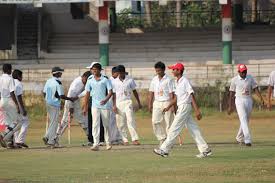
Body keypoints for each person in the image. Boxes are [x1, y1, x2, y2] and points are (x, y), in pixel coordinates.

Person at [153, 63, 212, 158]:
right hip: (182, 106)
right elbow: (176, 98)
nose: (172, 71)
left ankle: (164, 150)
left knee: (174, 128)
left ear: (179, 71)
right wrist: (169, 106)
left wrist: (197, 110)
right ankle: (205, 150)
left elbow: (191, 95)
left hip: (185, 106)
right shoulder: (177, 82)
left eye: (174, 69)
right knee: (193, 129)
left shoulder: (185, 81)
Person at [228, 64, 264, 146]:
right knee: (243, 118)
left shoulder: (250, 78)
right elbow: (231, 93)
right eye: (242, 72)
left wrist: (261, 98)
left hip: (248, 100)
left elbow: (255, 88)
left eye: (245, 71)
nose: (244, 73)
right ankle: (247, 139)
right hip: (239, 100)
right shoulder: (234, 80)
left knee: (245, 120)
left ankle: (239, 138)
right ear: (238, 72)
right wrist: (230, 106)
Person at [83, 63, 114, 151]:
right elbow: (87, 94)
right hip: (94, 105)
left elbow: (110, 92)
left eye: (95, 69)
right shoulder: (90, 79)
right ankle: (95, 143)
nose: (94, 71)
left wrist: (105, 100)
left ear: (100, 70)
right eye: (93, 69)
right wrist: (85, 107)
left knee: (106, 124)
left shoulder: (105, 79)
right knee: (95, 124)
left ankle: (108, 143)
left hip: (105, 105)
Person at [55, 71, 91, 145]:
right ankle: (55, 138)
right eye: (86, 80)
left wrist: (78, 97)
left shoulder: (84, 81)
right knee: (65, 121)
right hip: (70, 102)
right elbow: (70, 95)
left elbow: (87, 91)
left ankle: (90, 138)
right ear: (84, 77)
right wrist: (71, 107)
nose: (87, 82)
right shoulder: (77, 83)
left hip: (75, 101)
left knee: (83, 120)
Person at [42, 67, 76, 148]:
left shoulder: (48, 81)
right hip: (54, 104)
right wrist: (70, 98)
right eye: (60, 72)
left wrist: (48, 100)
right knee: (54, 123)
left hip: (48, 103)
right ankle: (51, 141)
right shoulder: (58, 83)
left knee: (52, 122)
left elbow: (44, 93)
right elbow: (61, 96)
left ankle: (46, 137)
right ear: (57, 73)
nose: (61, 74)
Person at [112, 65, 141, 145]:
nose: (120, 74)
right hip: (118, 103)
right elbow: (113, 94)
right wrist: (114, 105)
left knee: (131, 120)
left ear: (124, 72)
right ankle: (125, 140)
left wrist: (139, 102)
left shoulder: (130, 80)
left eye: (121, 72)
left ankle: (135, 139)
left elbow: (134, 91)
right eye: (118, 73)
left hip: (128, 102)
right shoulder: (114, 81)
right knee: (120, 123)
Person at [148, 61, 175, 146]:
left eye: (159, 71)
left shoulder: (169, 79)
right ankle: (162, 138)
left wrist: (172, 105)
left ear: (163, 70)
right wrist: (150, 104)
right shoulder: (154, 79)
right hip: (157, 102)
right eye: (156, 71)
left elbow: (171, 93)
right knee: (155, 121)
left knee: (169, 123)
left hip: (167, 102)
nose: (158, 72)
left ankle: (170, 141)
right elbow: (151, 92)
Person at [0, 64, 21, 148]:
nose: (11, 71)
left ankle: (9, 143)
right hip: (9, 101)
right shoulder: (10, 79)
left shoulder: (0, 78)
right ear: (8, 70)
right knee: (18, 122)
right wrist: (16, 104)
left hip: (1, 100)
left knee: (9, 123)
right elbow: (12, 92)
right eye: (11, 70)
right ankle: (4, 136)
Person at [12, 69, 29, 148]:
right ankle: (20, 140)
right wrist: (22, 108)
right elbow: (19, 97)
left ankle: (15, 142)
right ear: (18, 76)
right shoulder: (18, 84)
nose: (22, 77)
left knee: (16, 123)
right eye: (21, 76)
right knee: (25, 122)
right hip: (18, 105)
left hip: (11, 106)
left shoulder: (11, 82)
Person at [109, 66, 123, 145]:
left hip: (120, 103)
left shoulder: (119, 80)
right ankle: (112, 139)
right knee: (112, 122)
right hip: (111, 104)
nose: (119, 75)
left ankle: (120, 138)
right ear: (114, 73)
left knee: (120, 120)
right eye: (118, 73)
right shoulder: (109, 81)